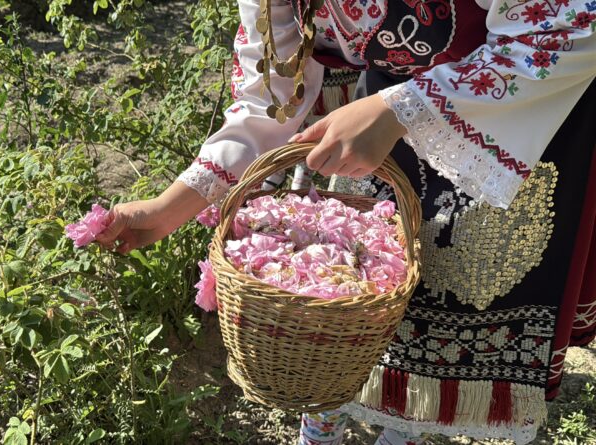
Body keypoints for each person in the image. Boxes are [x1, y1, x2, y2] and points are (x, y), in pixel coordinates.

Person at [96, 0, 596, 443]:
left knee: (434, 319)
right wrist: (168, 208)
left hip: (497, 129)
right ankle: (319, 435)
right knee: (352, 310)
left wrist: (400, 111)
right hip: (379, 126)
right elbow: (267, 101)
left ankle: (403, 436)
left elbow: (569, 28)